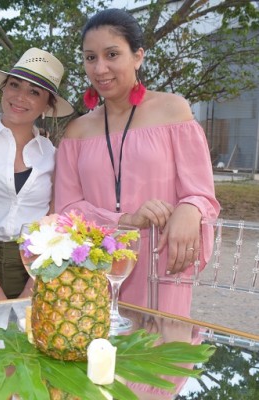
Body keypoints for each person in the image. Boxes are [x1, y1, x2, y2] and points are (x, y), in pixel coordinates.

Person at [54, 8, 220, 317]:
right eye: (90, 58)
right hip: (96, 266)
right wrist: (125, 220)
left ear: (138, 56)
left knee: (157, 357)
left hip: (161, 266)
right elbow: (66, 210)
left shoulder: (173, 111)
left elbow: (201, 193)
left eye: (112, 54)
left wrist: (190, 207)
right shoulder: (78, 130)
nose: (100, 68)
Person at [0, 47, 74, 299]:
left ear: (48, 105)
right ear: (3, 89)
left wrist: (32, 289)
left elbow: (56, 222)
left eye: (34, 92)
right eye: (14, 85)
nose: (20, 97)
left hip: (34, 267)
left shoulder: (53, 155)